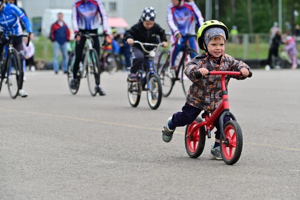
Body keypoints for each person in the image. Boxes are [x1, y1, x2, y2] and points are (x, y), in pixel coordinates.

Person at [161, 20, 250, 160]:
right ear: (204, 44)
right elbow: (189, 68)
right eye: (213, 44)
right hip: (198, 99)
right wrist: (197, 71)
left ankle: (217, 147)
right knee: (187, 117)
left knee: (225, 120)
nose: (218, 48)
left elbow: (238, 64)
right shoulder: (201, 60)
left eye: (221, 44)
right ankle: (171, 123)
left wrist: (244, 70)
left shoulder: (227, 60)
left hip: (218, 99)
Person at [71, 0, 108, 95]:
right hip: (81, 31)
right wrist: (76, 32)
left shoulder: (97, 2)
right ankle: (74, 78)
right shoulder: (77, 3)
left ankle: (98, 85)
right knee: (78, 56)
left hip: (94, 30)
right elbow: (74, 18)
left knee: (97, 59)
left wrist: (105, 31)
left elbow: (104, 15)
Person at [125, 7, 168, 81]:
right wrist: (129, 38)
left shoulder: (155, 27)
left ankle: (147, 82)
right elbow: (128, 32)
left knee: (151, 69)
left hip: (150, 49)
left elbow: (162, 32)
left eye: (151, 24)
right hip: (138, 47)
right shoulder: (138, 26)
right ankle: (133, 72)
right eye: (147, 24)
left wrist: (164, 40)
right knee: (139, 57)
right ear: (142, 21)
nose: (149, 26)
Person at [0, 0, 32, 97]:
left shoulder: (12, 8)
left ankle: (20, 88)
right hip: (5, 35)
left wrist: (29, 31)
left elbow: (25, 19)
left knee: (21, 59)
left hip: (17, 35)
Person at [167, 0, 204, 74]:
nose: (172, 1)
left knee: (195, 53)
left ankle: (198, 70)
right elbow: (170, 21)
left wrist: (202, 29)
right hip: (178, 35)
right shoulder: (171, 7)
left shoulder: (190, 5)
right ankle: (172, 66)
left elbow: (199, 18)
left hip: (189, 35)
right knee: (177, 45)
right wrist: (176, 31)